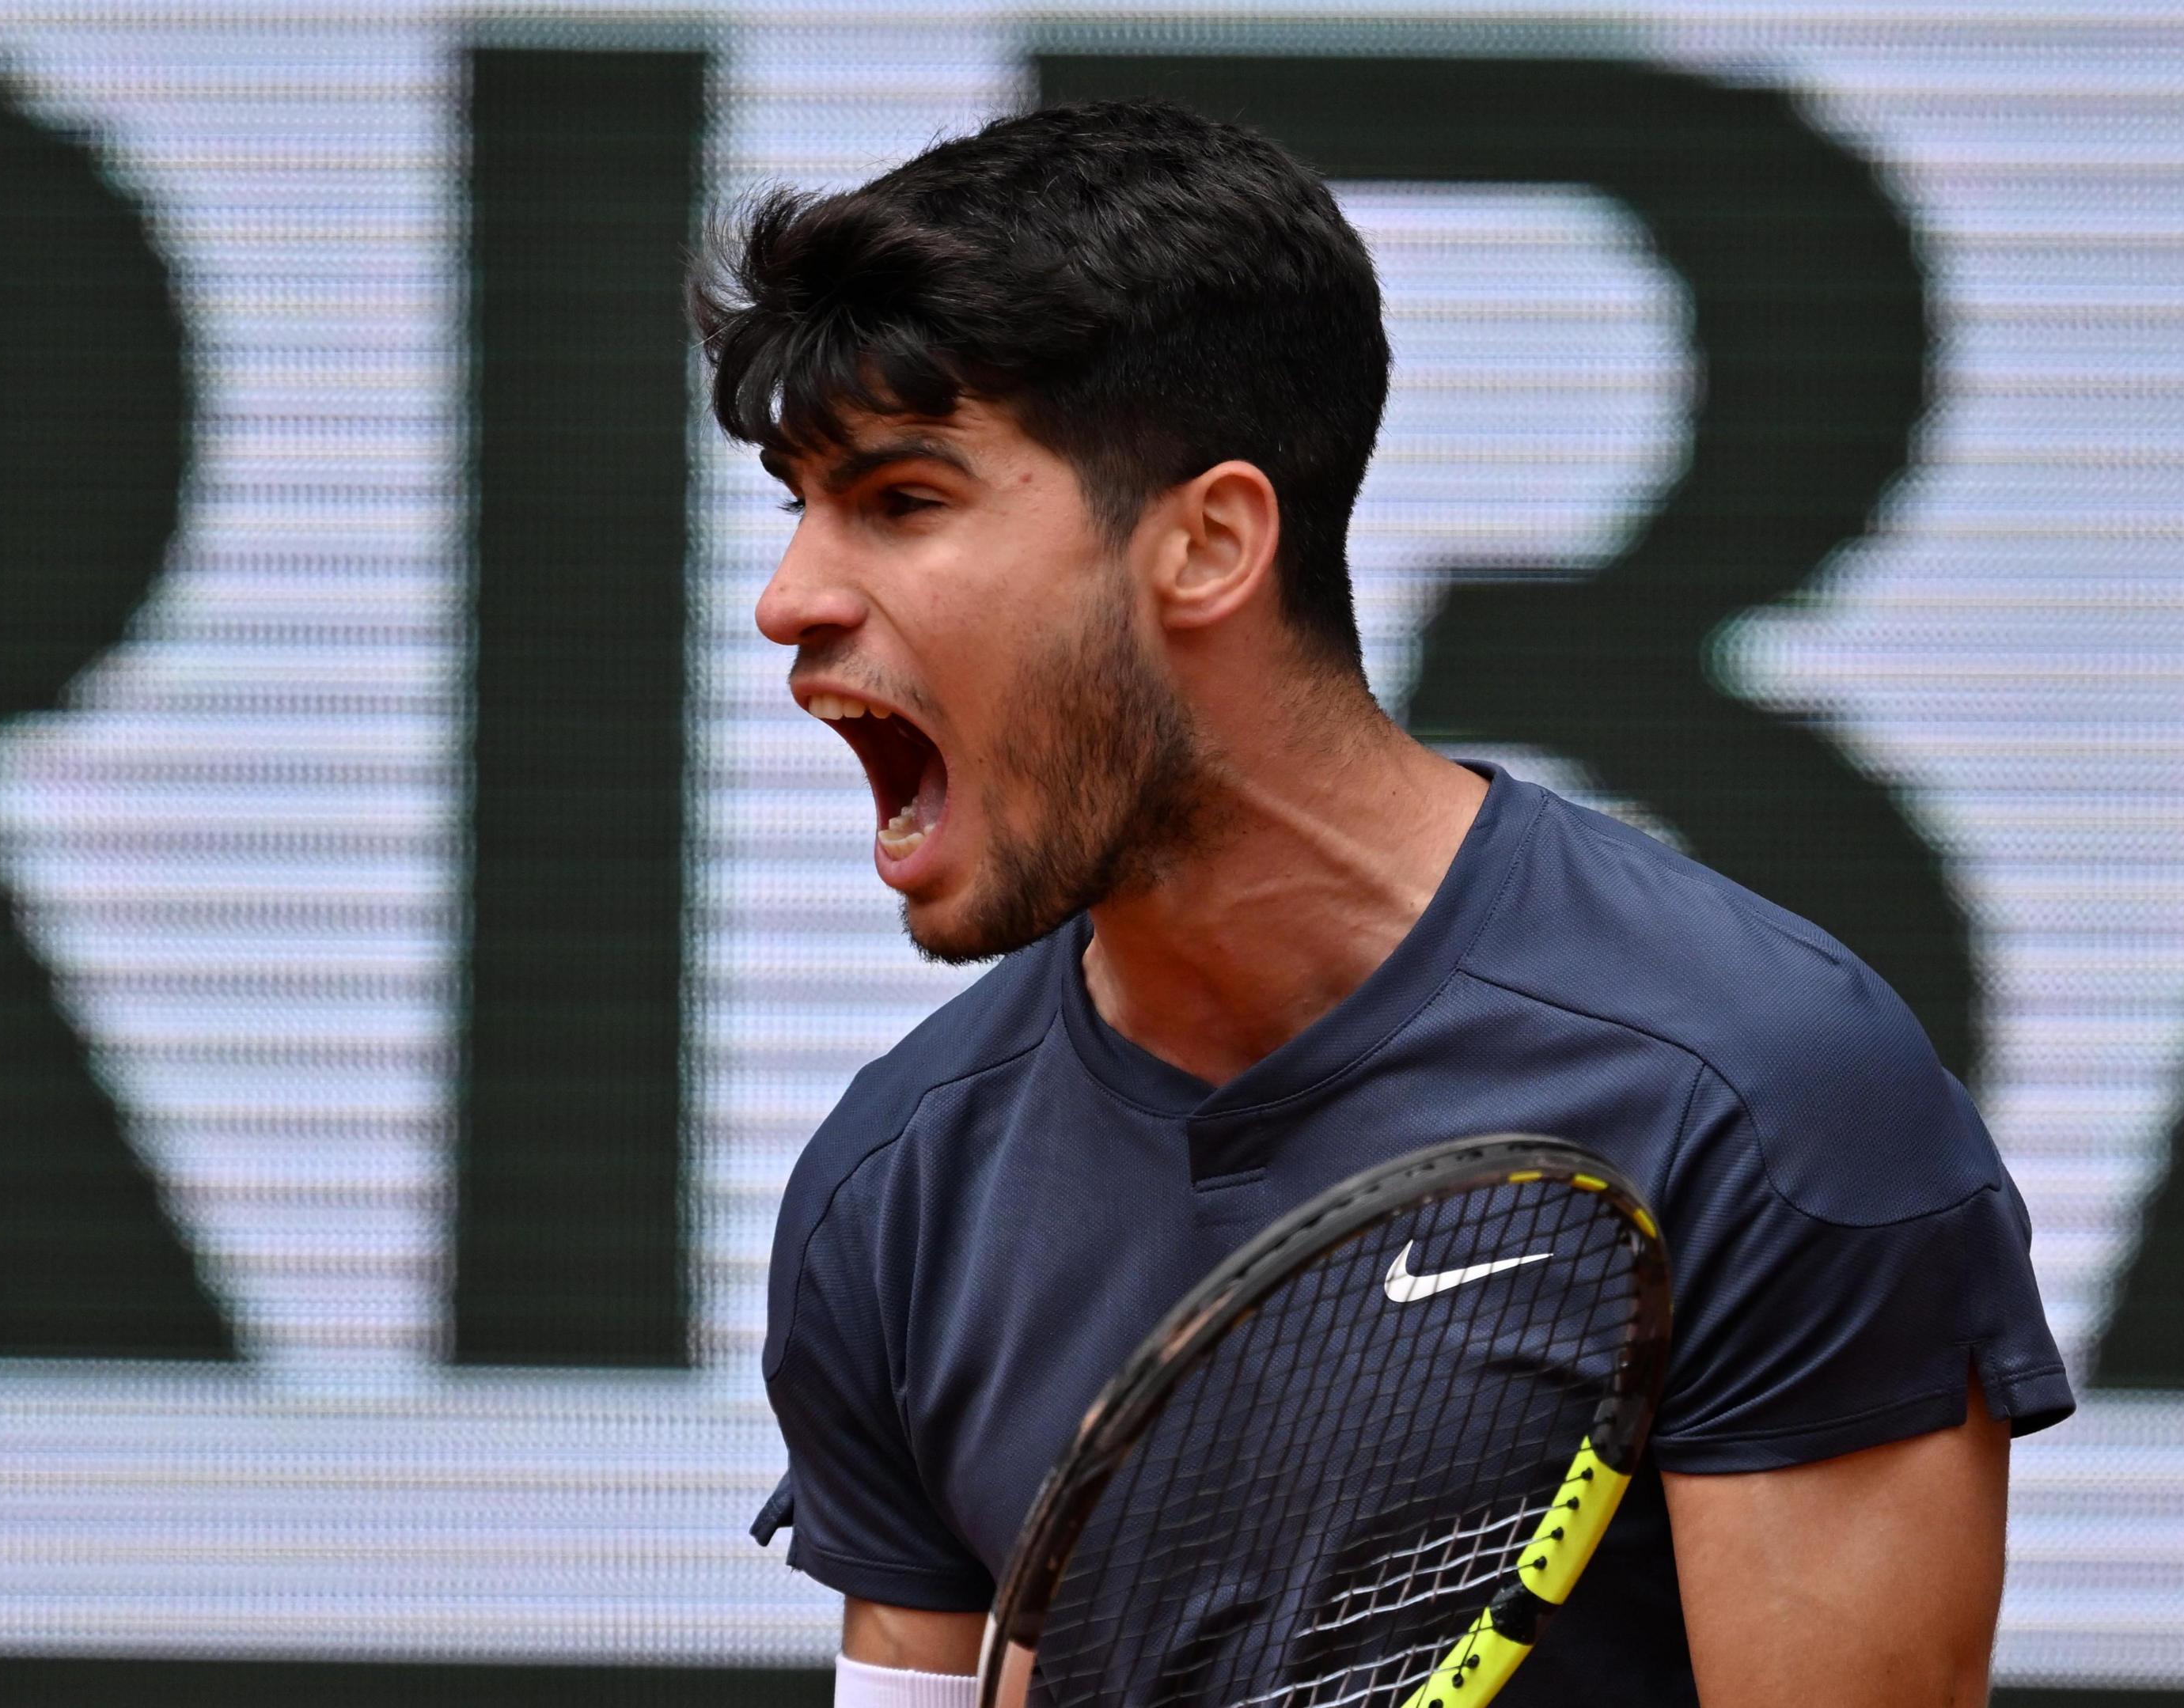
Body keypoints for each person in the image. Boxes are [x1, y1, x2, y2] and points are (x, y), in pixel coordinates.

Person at [700, 99, 2071, 1708]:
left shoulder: (1760, 1099)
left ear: (1208, 544)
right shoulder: (893, 1191)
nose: (789, 596)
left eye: (903, 500)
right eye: (798, 503)